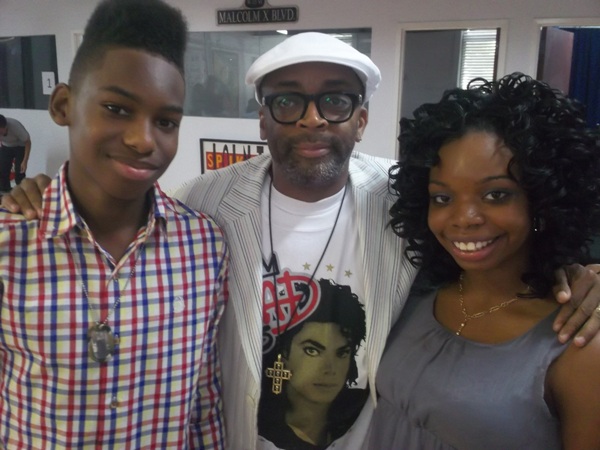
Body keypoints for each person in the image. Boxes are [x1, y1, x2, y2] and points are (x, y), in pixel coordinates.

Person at [5, 34, 600, 450]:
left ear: (360, 119)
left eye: (335, 100)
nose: (312, 118)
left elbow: (496, 230)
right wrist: (41, 192)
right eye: (288, 101)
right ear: (262, 119)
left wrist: (575, 268)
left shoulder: (408, 196)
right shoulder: (204, 200)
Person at [0, 0, 228, 448]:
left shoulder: (203, 245)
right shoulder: (11, 245)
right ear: (64, 104)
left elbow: (203, 402)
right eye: (117, 109)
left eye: (166, 121)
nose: (144, 139)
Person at [367, 73, 600, 449]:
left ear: (542, 200)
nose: (464, 217)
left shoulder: (577, 341)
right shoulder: (415, 292)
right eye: (442, 198)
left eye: (495, 195)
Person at [259, 278, 367, 448]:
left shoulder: (364, 412)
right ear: (284, 353)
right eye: (312, 350)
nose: (329, 369)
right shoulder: (262, 427)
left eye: (342, 352)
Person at [0, 114, 31, 192]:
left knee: (19, 171)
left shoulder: (15, 126)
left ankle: (21, 192)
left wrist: (25, 161)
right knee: (3, 170)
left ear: (5, 127)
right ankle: (5, 192)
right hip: (6, 146)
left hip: (20, 146)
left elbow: (27, 142)